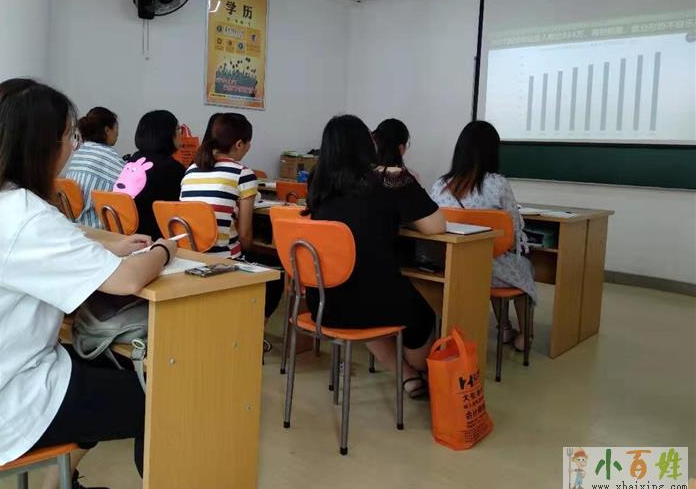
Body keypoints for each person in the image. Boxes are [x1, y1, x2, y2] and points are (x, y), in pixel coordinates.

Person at [0, 79, 177, 489]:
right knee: (167, 396)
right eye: (70, 137)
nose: (73, 149)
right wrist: (164, 250)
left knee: (109, 366)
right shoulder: (20, 212)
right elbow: (128, 279)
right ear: (44, 146)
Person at [304, 115, 446, 398]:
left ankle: (406, 377)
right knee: (420, 316)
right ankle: (420, 370)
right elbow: (436, 226)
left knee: (364, 306)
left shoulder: (318, 184)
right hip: (376, 298)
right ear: (367, 145)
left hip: (324, 302)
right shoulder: (393, 178)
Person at [429, 120, 536, 351]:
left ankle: (504, 327)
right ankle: (524, 334)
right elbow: (514, 230)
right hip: (490, 270)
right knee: (520, 266)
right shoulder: (498, 184)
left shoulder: (440, 185)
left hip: (450, 266)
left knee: (495, 259)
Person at [180, 113, 283, 326]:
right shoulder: (243, 173)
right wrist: (246, 250)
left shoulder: (191, 170)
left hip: (190, 257)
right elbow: (245, 234)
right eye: (248, 144)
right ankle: (252, 331)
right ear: (238, 144)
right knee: (277, 272)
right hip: (224, 262)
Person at [129, 110, 186, 238]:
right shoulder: (171, 168)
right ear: (167, 134)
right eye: (178, 129)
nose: (180, 134)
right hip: (155, 238)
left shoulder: (134, 160)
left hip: (128, 232)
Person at [63, 107, 124, 228]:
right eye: (116, 128)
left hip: (72, 224)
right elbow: (130, 188)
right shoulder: (108, 155)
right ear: (107, 130)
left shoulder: (79, 152)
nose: (118, 133)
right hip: (96, 227)